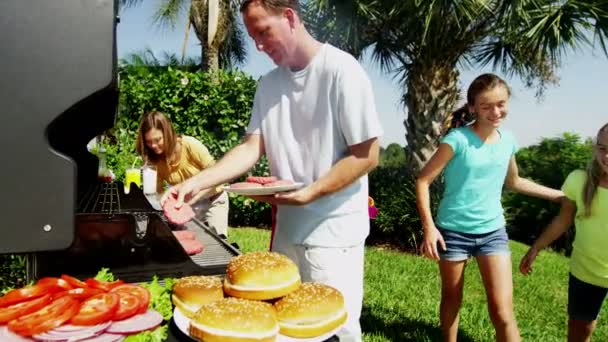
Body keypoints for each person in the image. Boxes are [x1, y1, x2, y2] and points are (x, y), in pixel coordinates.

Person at [161, 1, 383, 340]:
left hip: (333, 234)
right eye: (252, 37)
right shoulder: (268, 84)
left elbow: (367, 155)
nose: (259, 46)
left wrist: (311, 192)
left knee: (335, 332)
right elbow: (251, 148)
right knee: (281, 329)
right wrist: (197, 182)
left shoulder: (341, 70)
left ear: (290, 17)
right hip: (287, 234)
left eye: (264, 32)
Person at [415, 73, 564, 342]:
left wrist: (558, 196)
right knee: (452, 298)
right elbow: (423, 180)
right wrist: (429, 228)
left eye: (501, 104)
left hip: (493, 232)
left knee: (503, 312)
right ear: (472, 107)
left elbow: (514, 181)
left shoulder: (508, 141)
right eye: (486, 106)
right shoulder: (457, 140)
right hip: (453, 232)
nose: (496, 112)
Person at [520, 123, 608, 342]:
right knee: (579, 330)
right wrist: (535, 248)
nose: (606, 155)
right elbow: (563, 219)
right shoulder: (579, 180)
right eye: (602, 148)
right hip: (586, 271)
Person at [136, 111, 229, 237]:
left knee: (217, 241)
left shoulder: (190, 145)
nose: (153, 145)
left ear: (168, 133)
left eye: (158, 139)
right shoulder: (154, 160)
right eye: (148, 141)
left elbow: (218, 176)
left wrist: (193, 197)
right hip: (186, 206)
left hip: (213, 199)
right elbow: (157, 193)